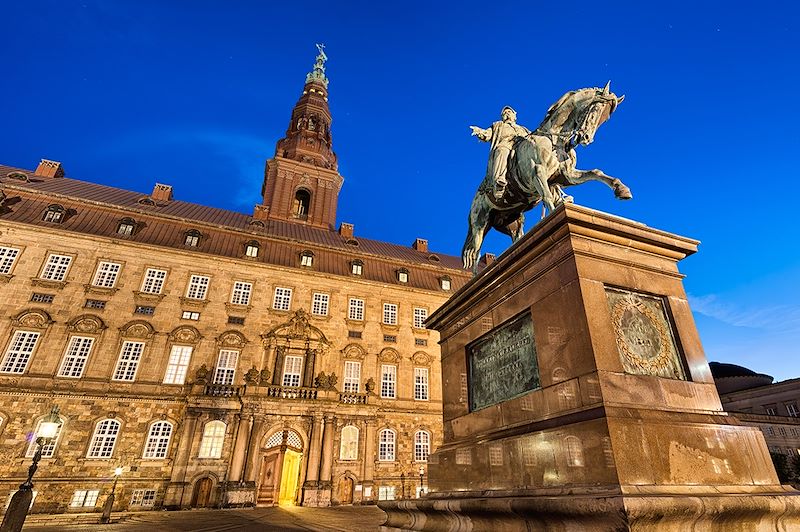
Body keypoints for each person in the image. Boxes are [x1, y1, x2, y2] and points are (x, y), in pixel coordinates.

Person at [470, 106, 530, 198]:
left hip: (522, 147)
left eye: (509, 112)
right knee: (502, 149)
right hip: (506, 144)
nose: (507, 113)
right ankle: (499, 180)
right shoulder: (497, 125)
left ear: (515, 116)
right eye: (505, 113)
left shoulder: (523, 129)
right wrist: (480, 132)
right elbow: (487, 134)